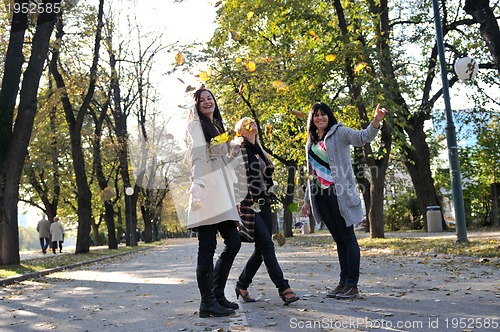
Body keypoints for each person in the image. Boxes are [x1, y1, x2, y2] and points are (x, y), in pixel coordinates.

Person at [301, 102, 387, 299]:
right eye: (316, 115)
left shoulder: (339, 133)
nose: (320, 118)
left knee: (348, 238)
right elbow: (311, 174)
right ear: (312, 119)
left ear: (329, 116)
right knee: (339, 240)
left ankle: (352, 285)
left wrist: (376, 121)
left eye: (323, 114)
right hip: (321, 196)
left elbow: (362, 137)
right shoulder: (311, 143)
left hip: (339, 195)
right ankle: (343, 282)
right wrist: (307, 200)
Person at [186, 87, 242, 318]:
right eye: (202, 100)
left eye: (210, 98)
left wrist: (234, 150)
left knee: (234, 241)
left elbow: (224, 161)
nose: (207, 102)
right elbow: (198, 154)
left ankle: (217, 294)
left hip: (222, 190)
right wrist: (197, 183)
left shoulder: (218, 126)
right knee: (207, 246)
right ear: (196, 106)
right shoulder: (195, 125)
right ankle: (207, 302)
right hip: (207, 189)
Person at [233, 117, 300, 306]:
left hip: (264, 202)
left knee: (261, 249)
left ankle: (242, 284)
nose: (251, 123)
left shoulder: (260, 151)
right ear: (240, 131)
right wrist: (235, 200)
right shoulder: (237, 150)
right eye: (245, 122)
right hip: (249, 203)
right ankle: (284, 289)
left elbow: (266, 179)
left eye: (253, 121)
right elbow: (233, 178)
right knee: (267, 246)